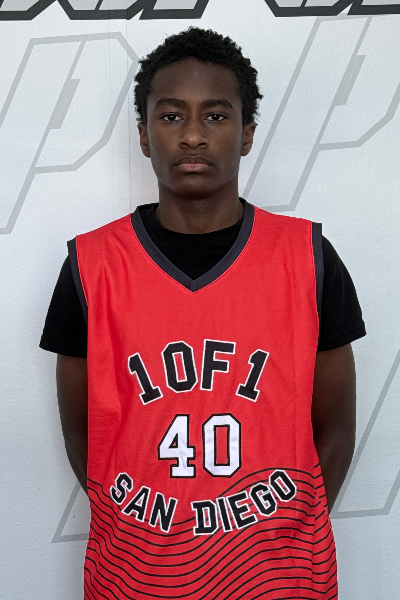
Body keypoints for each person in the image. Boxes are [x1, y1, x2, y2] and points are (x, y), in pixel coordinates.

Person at [40, 27, 366, 600]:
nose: (192, 134)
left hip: (280, 578)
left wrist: (289, 529)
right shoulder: (90, 266)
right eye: (171, 116)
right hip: (135, 578)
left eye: (215, 116)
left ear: (247, 134)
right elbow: (85, 432)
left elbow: (335, 428)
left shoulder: (309, 258)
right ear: (144, 136)